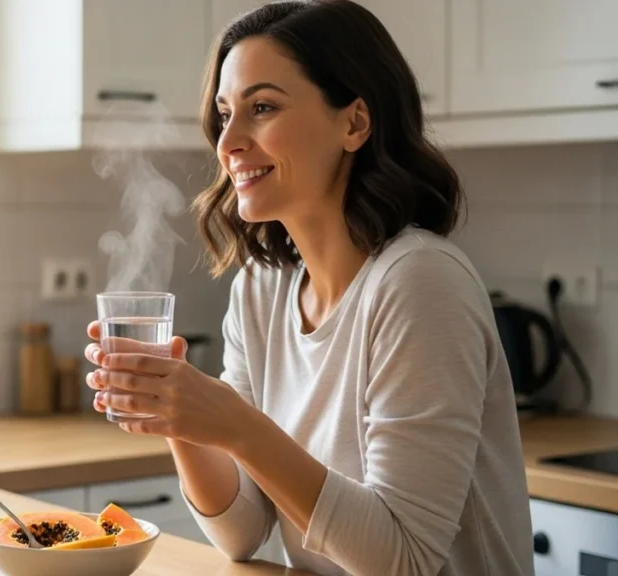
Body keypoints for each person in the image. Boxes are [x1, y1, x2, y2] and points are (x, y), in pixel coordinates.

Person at [82, 2, 535, 575]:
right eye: (225, 115)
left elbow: (405, 559)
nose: (228, 143)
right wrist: (183, 422)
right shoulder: (260, 290)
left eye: (262, 108)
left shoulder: (420, 282)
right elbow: (242, 532)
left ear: (354, 123)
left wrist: (235, 424)